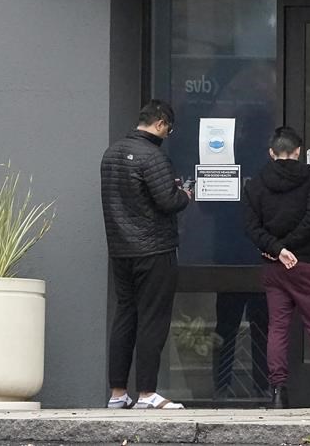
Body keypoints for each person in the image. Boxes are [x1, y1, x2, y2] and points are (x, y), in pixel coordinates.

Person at [100, 100, 192, 410]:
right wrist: (185, 195)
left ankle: (117, 393)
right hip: (154, 249)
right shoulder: (153, 156)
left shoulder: (111, 154)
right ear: (161, 123)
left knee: (125, 315)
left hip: (121, 250)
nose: (167, 135)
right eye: (169, 129)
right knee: (153, 320)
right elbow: (168, 201)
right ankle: (147, 393)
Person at [244, 126, 310, 409]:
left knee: (277, 328)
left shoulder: (256, 184)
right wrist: (289, 248)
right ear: (298, 151)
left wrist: (278, 250)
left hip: (274, 267)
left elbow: (251, 227)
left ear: (271, 152)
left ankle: (278, 392)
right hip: (306, 264)